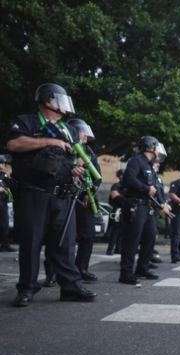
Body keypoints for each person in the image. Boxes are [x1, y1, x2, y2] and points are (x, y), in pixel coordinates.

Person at [8, 83, 96, 306]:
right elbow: (14, 144)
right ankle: (26, 289)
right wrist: (50, 141)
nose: (64, 105)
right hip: (34, 193)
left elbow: (76, 158)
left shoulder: (69, 129)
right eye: (60, 99)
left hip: (63, 195)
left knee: (65, 244)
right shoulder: (26, 121)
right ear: (48, 100)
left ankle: (71, 287)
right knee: (31, 243)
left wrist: (77, 169)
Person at [118, 136, 171, 285]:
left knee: (150, 236)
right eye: (156, 147)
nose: (158, 150)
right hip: (136, 205)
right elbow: (129, 179)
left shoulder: (150, 165)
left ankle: (142, 268)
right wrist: (146, 188)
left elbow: (156, 188)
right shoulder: (136, 161)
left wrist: (162, 203)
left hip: (148, 207)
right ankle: (126, 273)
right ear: (150, 147)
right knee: (132, 240)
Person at [70, 119, 102, 284]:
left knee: (88, 235)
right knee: (61, 236)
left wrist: (91, 192)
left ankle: (81, 268)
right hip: (67, 196)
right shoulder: (67, 148)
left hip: (85, 197)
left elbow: (97, 176)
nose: (85, 136)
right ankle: (52, 272)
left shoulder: (89, 152)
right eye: (82, 132)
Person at [106, 169, 125, 255]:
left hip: (124, 210)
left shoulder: (127, 186)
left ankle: (118, 248)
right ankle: (110, 249)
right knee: (115, 231)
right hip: (117, 211)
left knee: (122, 232)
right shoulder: (116, 186)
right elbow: (114, 197)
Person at [0, 155, 17, 253]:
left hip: (2, 201)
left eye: (2, 163)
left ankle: (4, 244)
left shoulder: (4, 176)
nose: (1, 165)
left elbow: (9, 187)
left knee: (4, 224)